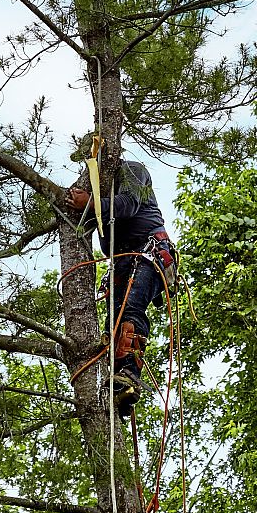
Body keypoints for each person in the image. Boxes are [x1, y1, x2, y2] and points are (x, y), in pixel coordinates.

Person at [65, 141, 173, 417]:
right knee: (113, 322)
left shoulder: (133, 171)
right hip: (125, 260)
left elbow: (127, 205)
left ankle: (128, 374)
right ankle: (121, 390)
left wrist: (90, 203)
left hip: (148, 251)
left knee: (131, 308)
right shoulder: (104, 198)